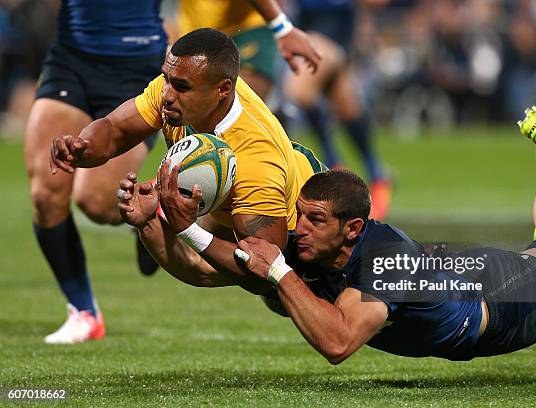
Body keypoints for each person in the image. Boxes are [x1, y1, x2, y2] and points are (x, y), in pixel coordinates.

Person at [230, 94, 536, 363]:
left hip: (499, 300)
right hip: (455, 276)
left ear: (351, 228)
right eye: (300, 216)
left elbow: (337, 342)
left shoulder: (385, 260)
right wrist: (184, 229)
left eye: (314, 219)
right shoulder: (319, 244)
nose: (300, 228)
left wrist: (278, 270)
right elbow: (215, 264)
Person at [51, 28, 325, 296]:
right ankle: (164, 220)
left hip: (300, 228)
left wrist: (184, 229)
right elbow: (115, 130)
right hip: (235, 205)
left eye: (181, 87)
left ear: (223, 90)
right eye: (166, 79)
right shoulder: (183, 85)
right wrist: (82, 147)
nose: (167, 95)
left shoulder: (254, 159)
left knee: (321, 324)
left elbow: (265, 273)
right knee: (197, 258)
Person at [26, 0, 168, 344]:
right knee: (46, 193)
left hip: (137, 65)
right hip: (72, 58)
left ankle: (151, 218)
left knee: (97, 202)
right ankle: (84, 312)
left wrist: (280, 27)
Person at [283, 0, 391, 220]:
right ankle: (377, 173)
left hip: (326, 39)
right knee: (347, 107)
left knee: (298, 92)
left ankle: (333, 163)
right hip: (311, 36)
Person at [173, 0, 322, 100]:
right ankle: (274, 115)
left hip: (247, 28)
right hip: (196, 29)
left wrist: (282, 29)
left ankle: (268, 120)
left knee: (237, 105)